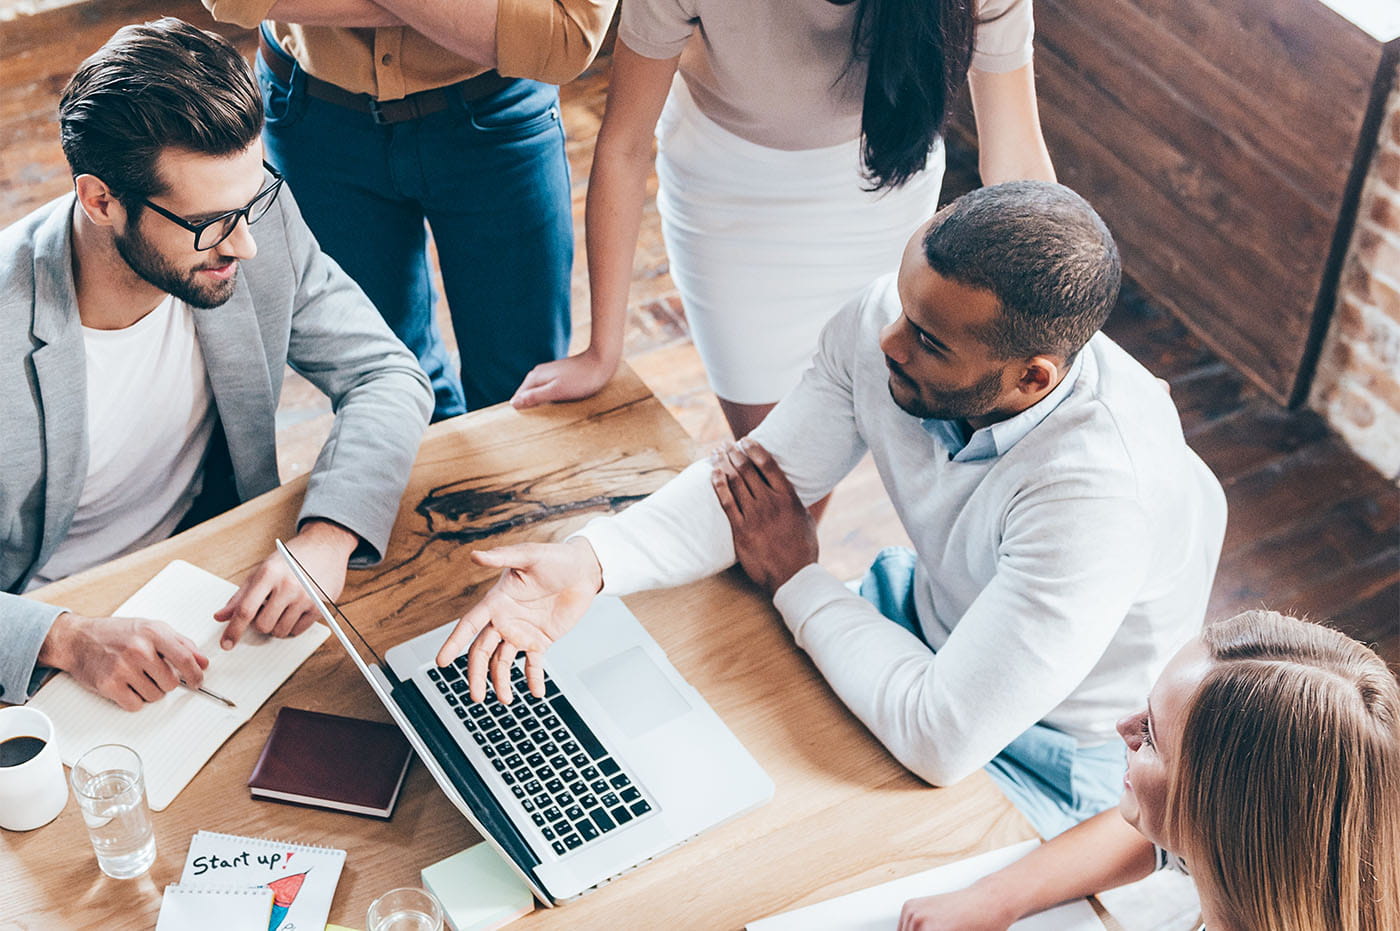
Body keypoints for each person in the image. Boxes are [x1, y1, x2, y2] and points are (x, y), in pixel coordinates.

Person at [436, 181, 1228, 837]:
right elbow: (757, 487)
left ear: (1032, 379)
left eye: (926, 339)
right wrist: (589, 560)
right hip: (921, 629)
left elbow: (941, 735)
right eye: (902, 304)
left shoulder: (1097, 498)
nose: (887, 338)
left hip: (1055, 752)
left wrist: (797, 578)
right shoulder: (902, 319)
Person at [0, 19, 432, 711]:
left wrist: (327, 536)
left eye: (251, 201)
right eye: (208, 224)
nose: (248, 247)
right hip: (52, 631)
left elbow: (385, 372)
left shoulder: (245, 212)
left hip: (214, 574)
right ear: (101, 200)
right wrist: (66, 637)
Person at [510, 0, 1056, 442]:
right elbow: (624, 148)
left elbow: (1017, 164)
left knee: (841, 426)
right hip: (728, 199)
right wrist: (603, 352)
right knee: (774, 459)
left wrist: (1060, 335)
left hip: (885, 192)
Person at [201, 0, 617, 420]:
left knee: (522, 390)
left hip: (497, 112)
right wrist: (483, 19)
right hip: (315, 116)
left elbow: (564, 37)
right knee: (389, 389)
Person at [896, 610, 1400, 931]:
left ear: (1218, 819)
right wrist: (993, 898)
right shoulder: (1313, 840)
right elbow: (1147, 838)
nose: (1123, 727)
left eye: (1152, 736)